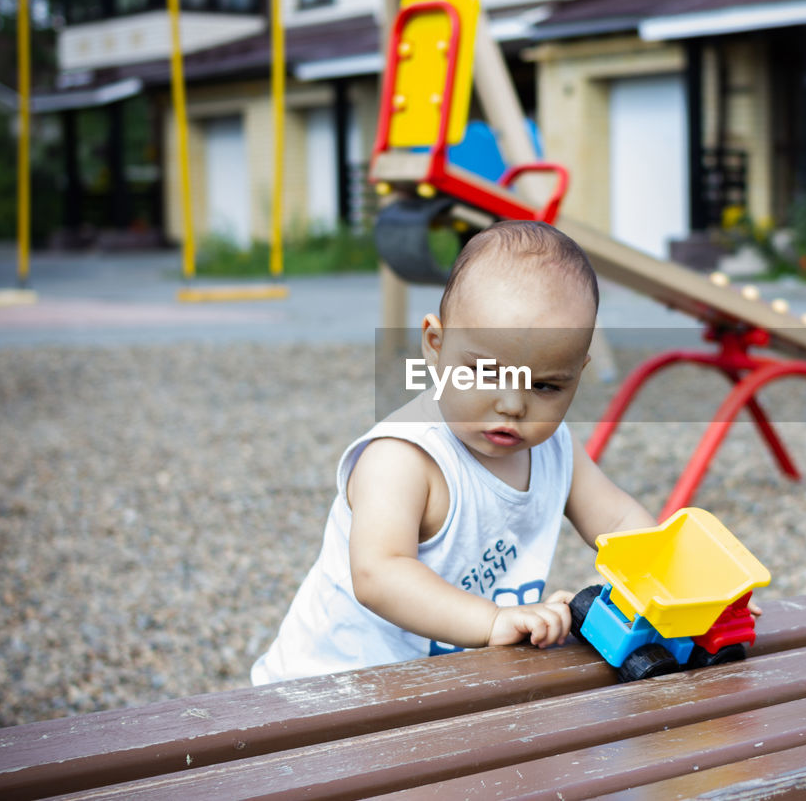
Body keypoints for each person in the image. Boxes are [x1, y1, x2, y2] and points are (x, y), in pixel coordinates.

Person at [251, 219, 658, 683]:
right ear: (436, 346)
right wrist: (490, 621)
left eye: (545, 385)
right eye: (485, 373)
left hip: (436, 688)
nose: (512, 404)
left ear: (577, 374)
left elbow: (619, 522)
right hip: (329, 691)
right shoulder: (405, 457)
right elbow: (378, 574)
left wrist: (666, 572)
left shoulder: (553, 447)